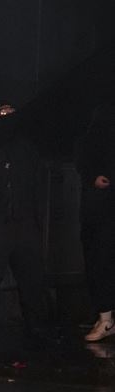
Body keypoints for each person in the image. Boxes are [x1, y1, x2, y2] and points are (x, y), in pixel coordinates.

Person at [0, 102, 51, 348]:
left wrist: (37, 220)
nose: (5, 118)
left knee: (31, 278)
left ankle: (36, 326)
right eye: (0, 114)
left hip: (24, 223)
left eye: (9, 114)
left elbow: (37, 185)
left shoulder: (26, 149)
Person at [77, 105, 115, 342]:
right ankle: (106, 317)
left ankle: (106, 318)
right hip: (99, 211)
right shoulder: (95, 131)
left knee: (100, 261)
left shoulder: (94, 129)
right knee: (99, 260)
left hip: (99, 209)